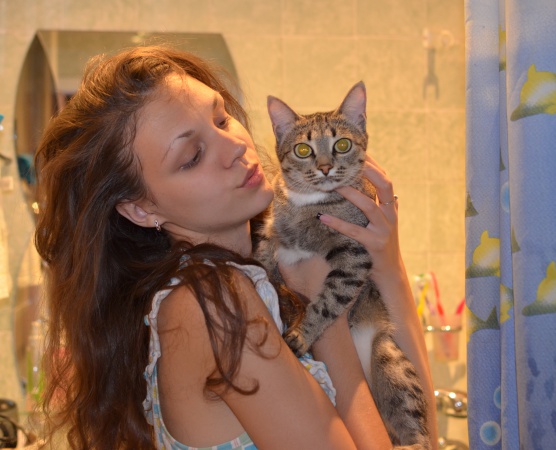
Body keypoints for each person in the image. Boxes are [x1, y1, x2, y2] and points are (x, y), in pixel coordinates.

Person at [34, 46, 437, 450]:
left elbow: (420, 438)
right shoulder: (214, 304)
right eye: (192, 156)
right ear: (141, 209)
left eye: (222, 118)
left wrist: (388, 267)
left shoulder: (253, 279)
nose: (235, 147)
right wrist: (326, 317)